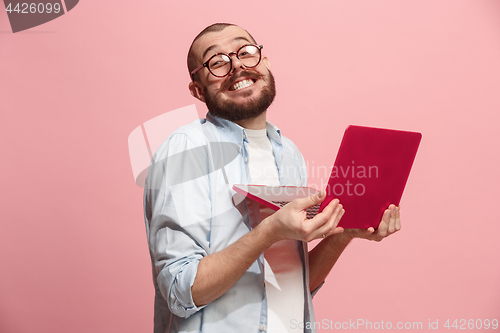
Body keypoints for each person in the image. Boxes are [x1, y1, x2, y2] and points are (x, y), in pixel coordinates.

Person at [144, 23, 401, 333]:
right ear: (198, 90)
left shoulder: (288, 152)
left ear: (264, 62)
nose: (237, 65)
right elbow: (179, 289)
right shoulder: (188, 149)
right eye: (218, 62)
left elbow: (290, 284)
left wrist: (343, 234)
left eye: (246, 52)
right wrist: (269, 232)